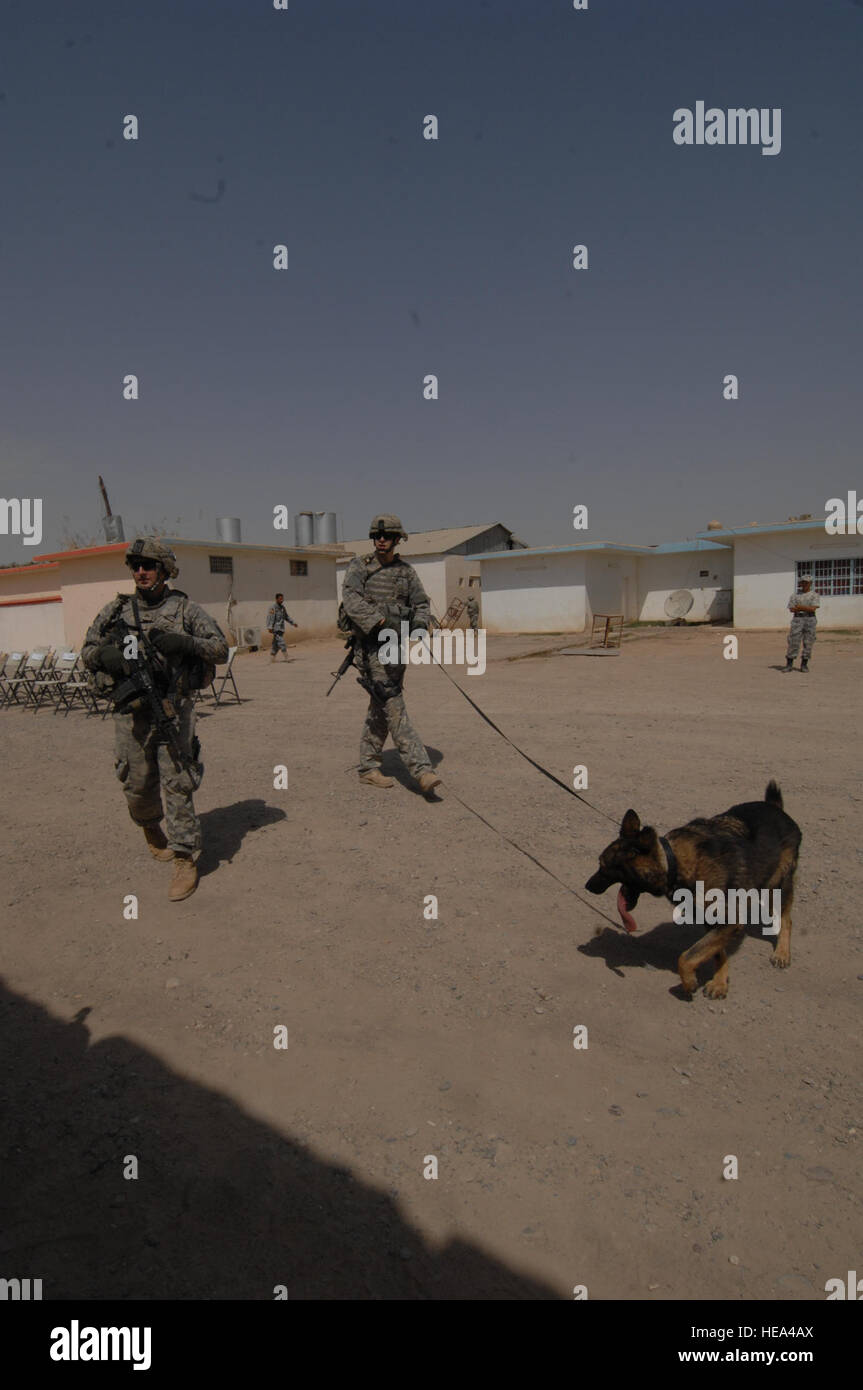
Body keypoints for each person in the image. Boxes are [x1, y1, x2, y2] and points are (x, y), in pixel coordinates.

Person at [82, 536, 229, 900]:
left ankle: (184, 857)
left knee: (178, 780)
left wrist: (187, 643)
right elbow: (86, 650)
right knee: (135, 781)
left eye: (148, 566)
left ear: (165, 570)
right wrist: (105, 656)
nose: (141, 572)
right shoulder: (115, 611)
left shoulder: (185, 610)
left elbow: (221, 648)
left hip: (172, 708)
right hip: (130, 711)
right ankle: (149, 825)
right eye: (136, 566)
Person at [340, 513, 441, 794]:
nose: (381, 541)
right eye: (377, 536)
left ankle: (368, 766)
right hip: (370, 648)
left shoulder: (406, 573)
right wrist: (381, 622)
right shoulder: (360, 566)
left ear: (397, 539)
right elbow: (351, 600)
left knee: (381, 707)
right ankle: (421, 770)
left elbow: (421, 603)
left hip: (395, 648)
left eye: (386, 537)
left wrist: (420, 625)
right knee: (393, 703)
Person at [782, 576, 819, 673]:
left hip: (810, 619)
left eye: (807, 582)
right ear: (800, 583)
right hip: (797, 619)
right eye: (803, 582)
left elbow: (813, 608)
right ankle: (789, 664)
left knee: (808, 642)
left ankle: (804, 665)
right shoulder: (795, 595)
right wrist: (804, 608)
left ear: (810, 583)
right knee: (793, 641)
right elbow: (792, 609)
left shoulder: (814, 595)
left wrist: (800, 607)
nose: (805, 584)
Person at [266, 593, 298, 662]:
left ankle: (272, 658)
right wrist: (269, 627)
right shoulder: (273, 608)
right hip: (275, 629)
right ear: (276, 599)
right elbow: (270, 618)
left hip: (281, 628)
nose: (282, 600)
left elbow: (286, 617)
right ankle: (287, 657)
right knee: (281, 642)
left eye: (282, 599)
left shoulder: (283, 608)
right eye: (280, 599)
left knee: (275, 645)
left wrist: (293, 623)